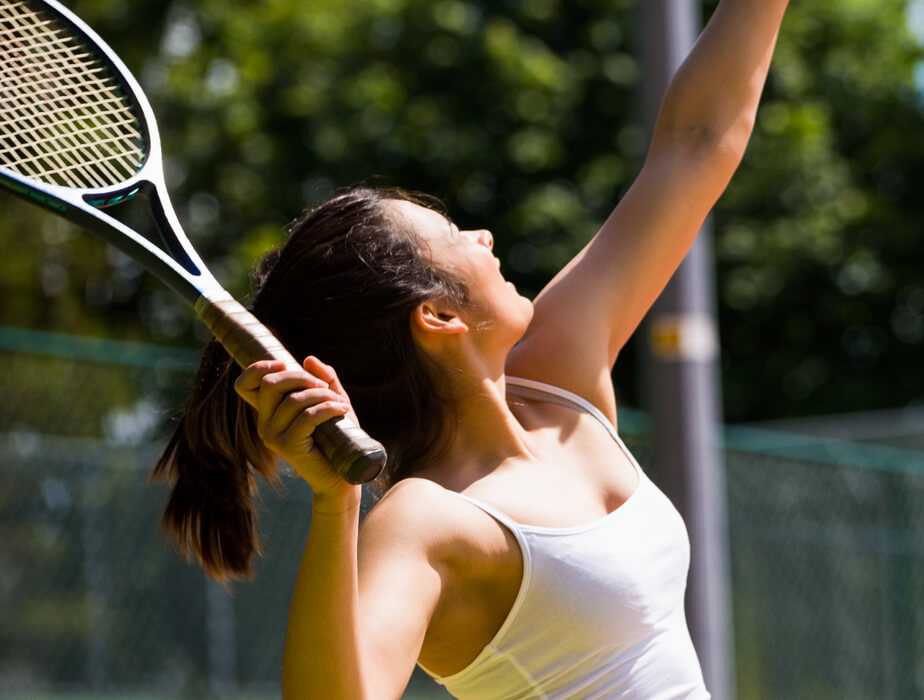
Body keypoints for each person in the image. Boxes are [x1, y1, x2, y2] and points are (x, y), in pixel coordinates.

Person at [150, 1, 789, 697]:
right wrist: (335, 504)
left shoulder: (556, 380)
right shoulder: (425, 518)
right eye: (454, 234)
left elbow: (696, 142)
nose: (482, 236)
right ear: (439, 315)